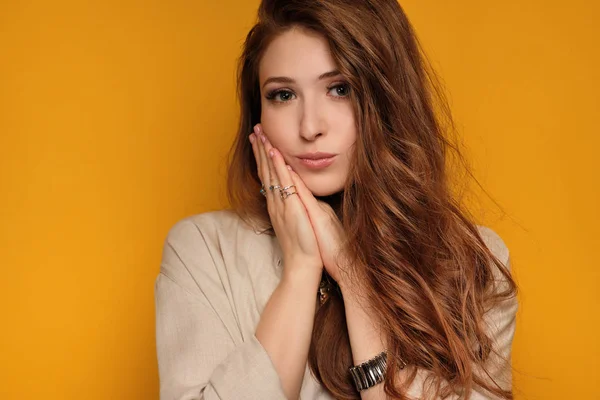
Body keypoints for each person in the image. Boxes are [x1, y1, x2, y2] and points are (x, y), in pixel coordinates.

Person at [154, 0, 519, 399]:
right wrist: (300, 271)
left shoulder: (472, 262)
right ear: (257, 113)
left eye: (339, 89)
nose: (310, 127)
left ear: (386, 100)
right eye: (282, 95)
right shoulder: (205, 251)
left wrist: (351, 271)